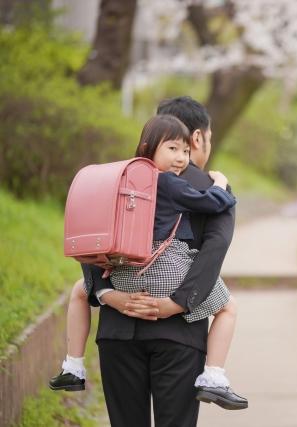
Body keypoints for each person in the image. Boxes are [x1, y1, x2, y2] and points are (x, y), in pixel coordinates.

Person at [52, 97, 241, 427]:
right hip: (178, 333)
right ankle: (214, 376)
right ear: (198, 137)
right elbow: (214, 251)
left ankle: (72, 364)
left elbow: (91, 237)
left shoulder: (117, 178)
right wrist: (178, 303)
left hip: (117, 330)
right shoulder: (209, 187)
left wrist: (107, 294)